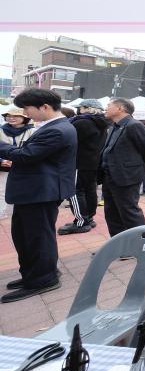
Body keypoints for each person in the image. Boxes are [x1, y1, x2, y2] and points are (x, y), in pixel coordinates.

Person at [0, 89, 76, 303]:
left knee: (37, 237)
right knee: (26, 236)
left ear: (44, 107)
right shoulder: (55, 126)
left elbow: (26, 155)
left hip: (41, 192)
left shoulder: (57, 129)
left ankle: (43, 279)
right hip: (37, 191)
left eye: (26, 108)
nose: (25, 113)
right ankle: (34, 274)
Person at [99, 97, 145, 237]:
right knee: (111, 212)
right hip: (110, 175)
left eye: (109, 105)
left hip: (127, 176)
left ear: (121, 108)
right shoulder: (114, 126)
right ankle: (120, 243)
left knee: (129, 212)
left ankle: (144, 243)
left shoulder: (134, 125)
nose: (106, 108)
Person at [58, 99, 110, 235]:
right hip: (93, 162)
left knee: (75, 191)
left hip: (79, 162)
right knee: (89, 190)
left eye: (80, 108)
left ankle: (81, 222)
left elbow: (67, 140)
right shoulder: (101, 123)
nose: (78, 110)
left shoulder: (82, 122)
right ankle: (89, 218)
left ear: (87, 108)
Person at [0, 108, 35, 219]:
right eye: (8, 116)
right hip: (4, 166)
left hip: (24, 166)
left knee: (24, 190)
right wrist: (1, 161)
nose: (11, 118)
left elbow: (33, 150)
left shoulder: (32, 131)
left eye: (15, 116)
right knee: (1, 190)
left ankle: (23, 215)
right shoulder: (1, 130)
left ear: (24, 118)